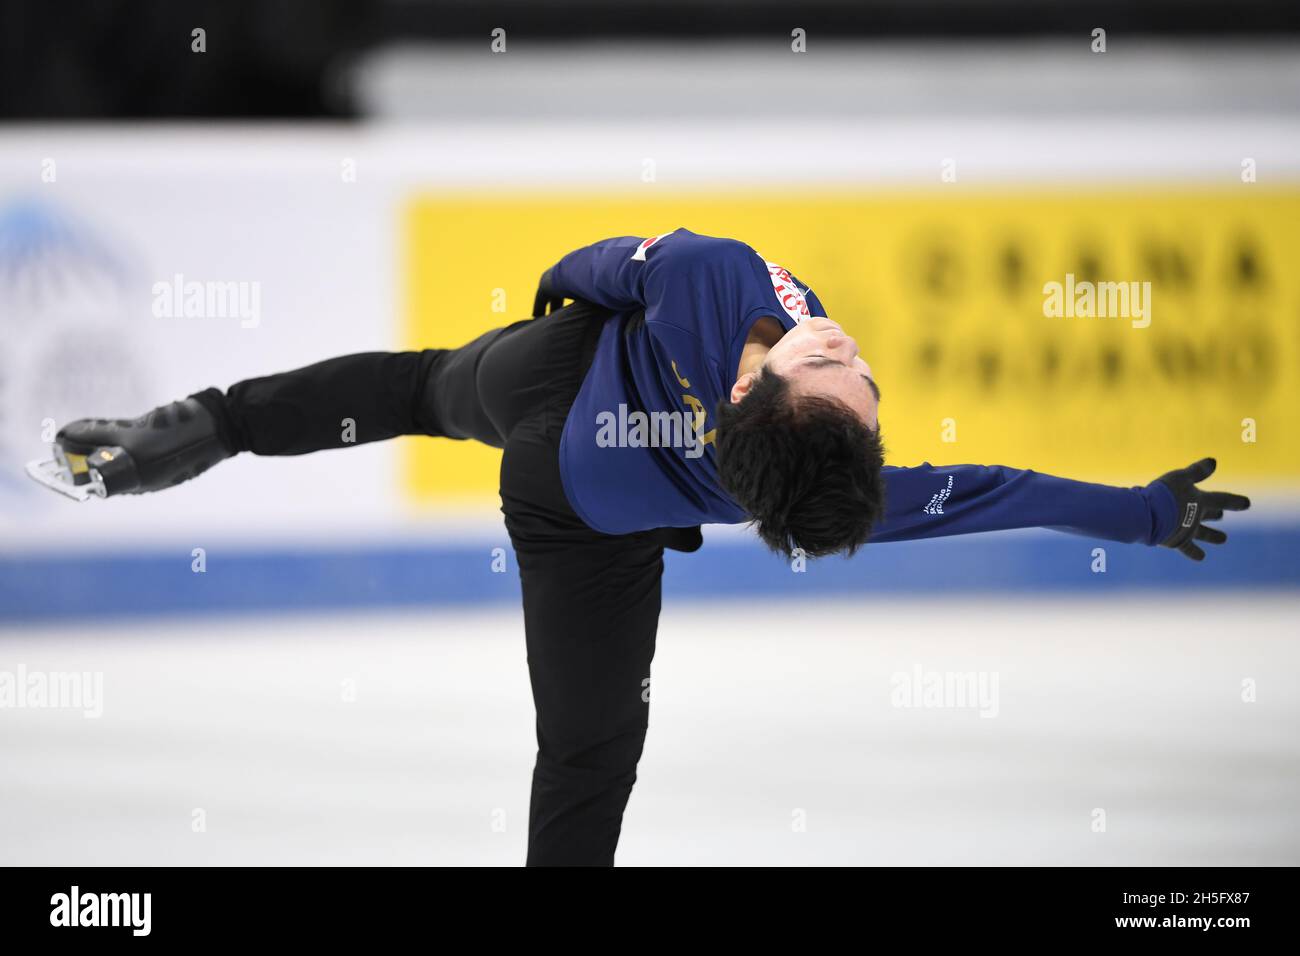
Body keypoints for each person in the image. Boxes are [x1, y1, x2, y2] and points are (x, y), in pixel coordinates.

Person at [29, 228, 1251, 865]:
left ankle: (196, 429)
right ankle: (198, 429)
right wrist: (1139, 512)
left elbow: (611, 263)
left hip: (553, 392)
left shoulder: (727, 290)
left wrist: (555, 294)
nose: (852, 357)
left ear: (755, 381)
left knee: (410, 388)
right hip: (578, 504)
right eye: (851, 373)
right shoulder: (833, 461)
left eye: (842, 375)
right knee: (590, 752)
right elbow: (996, 492)